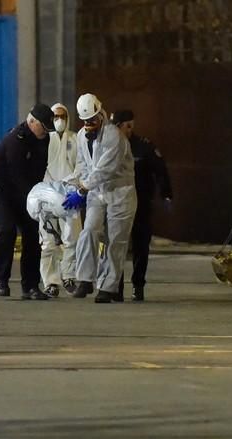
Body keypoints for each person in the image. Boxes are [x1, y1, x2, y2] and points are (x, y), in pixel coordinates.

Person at [63, 93, 137, 303]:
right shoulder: (80, 136)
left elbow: (106, 170)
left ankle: (108, 287)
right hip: (97, 192)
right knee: (88, 231)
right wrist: (74, 183)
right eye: (86, 121)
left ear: (101, 114)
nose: (90, 124)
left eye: (93, 119)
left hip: (120, 193)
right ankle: (85, 279)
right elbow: (84, 166)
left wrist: (82, 190)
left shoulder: (114, 136)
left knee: (115, 241)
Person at [0, 104, 53, 300]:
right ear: (32, 122)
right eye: (43, 127)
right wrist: (35, 198)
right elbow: (16, 175)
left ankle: (30, 286)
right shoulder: (15, 140)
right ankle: (1, 281)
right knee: (7, 230)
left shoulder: (44, 139)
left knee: (32, 233)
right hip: (4, 190)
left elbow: (42, 169)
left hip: (27, 190)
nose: (46, 132)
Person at [111, 110, 173, 301]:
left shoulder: (143, 147)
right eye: (126, 125)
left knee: (140, 246)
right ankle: (116, 287)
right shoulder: (108, 146)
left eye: (132, 125)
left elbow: (160, 171)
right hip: (117, 203)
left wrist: (166, 194)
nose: (129, 129)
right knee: (116, 246)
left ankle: (138, 285)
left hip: (141, 202)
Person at [39, 103, 82, 297]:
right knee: (48, 242)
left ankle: (69, 275)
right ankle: (50, 281)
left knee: (72, 239)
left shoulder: (76, 139)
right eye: (55, 116)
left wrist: (76, 187)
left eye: (62, 116)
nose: (59, 120)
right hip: (48, 194)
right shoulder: (44, 140)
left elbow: (82, 165)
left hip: (70, 195)